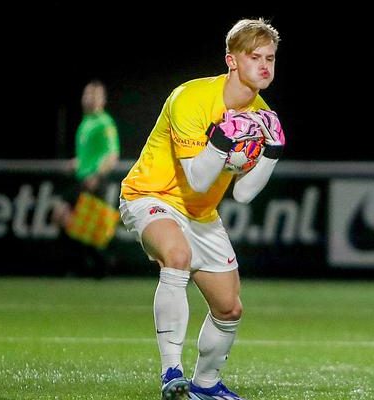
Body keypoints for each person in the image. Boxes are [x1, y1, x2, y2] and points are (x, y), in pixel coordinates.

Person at [119, 18, 285, 400]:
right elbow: (195, 178)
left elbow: (242, 196)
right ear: (231, 60)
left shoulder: (262, 116)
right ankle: (171, 373)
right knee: (177, 255)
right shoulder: (190, 98)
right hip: (151, 195)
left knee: (229, 309)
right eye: (254, 57)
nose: (264, 66)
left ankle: (206, 385)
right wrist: (224, 139)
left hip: (201, 214)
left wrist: (272, 153)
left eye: (271, 58)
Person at [53, 80, 120, 277]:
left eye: (93, 95)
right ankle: (88, 265)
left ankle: (98, 266)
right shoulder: (86, 122)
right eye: (86, 95)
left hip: (93, 181)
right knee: (71, 221)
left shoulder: (104, 122)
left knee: (85, 227)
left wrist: (97, 175)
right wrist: (77, 162)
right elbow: (90, 154)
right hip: (81, 178)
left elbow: (112, 155)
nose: (89, 99)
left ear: (102, 99)